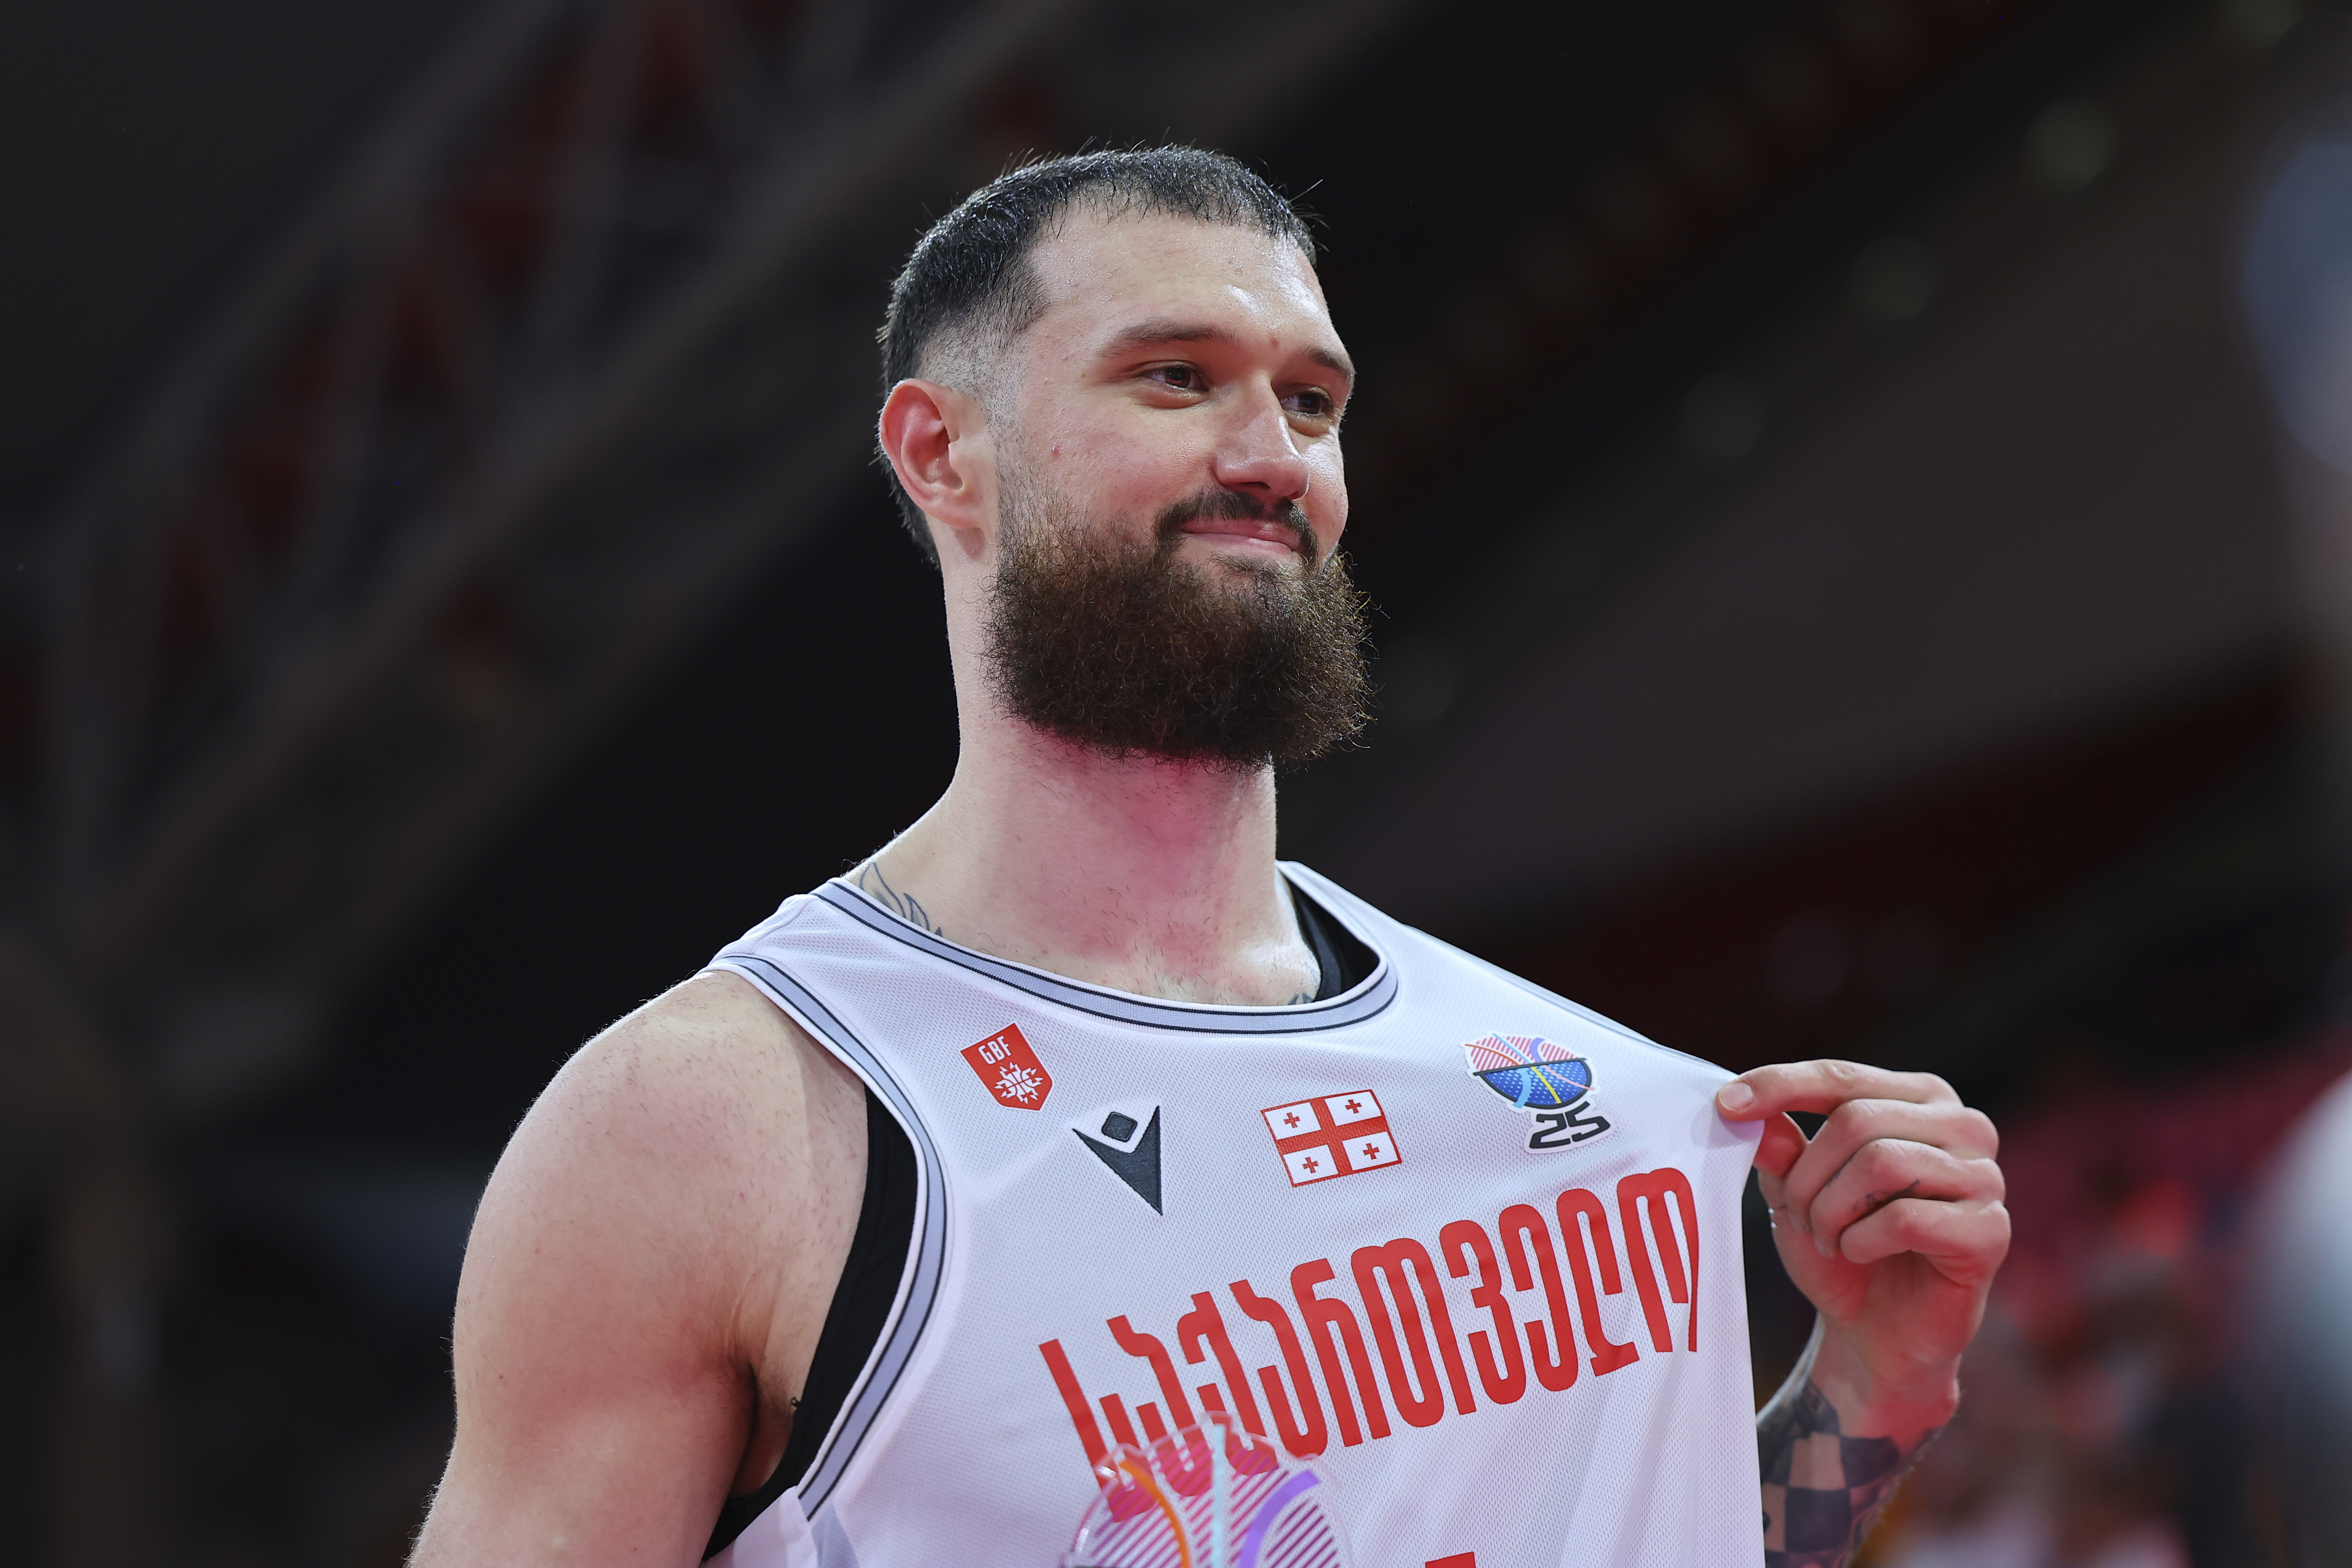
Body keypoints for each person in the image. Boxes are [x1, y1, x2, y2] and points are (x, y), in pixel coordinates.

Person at [408, 148, 2007, 1568]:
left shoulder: (1559, 1085)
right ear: (942, 453)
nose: (1273, 454)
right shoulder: (712, 1125)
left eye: (1312, 401)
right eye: (1176, 377)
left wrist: (1868, 1396)